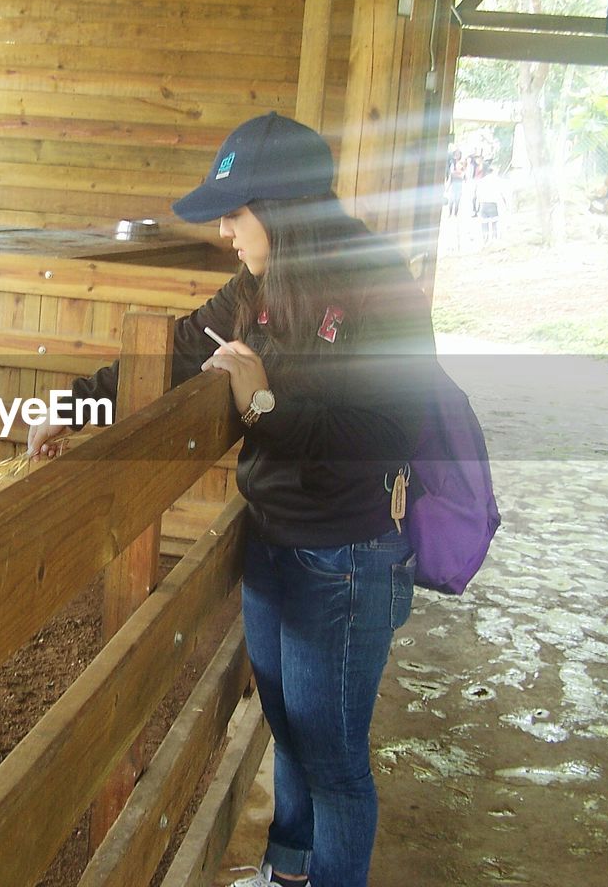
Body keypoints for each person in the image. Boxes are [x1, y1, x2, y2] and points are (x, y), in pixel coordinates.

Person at [27, 112, 437, 886]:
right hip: (274, 539)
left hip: (346, 555)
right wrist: (75, 405)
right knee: (286, 725)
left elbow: (389, 428)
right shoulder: (258, 285)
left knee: (335, 757)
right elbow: (178, 353)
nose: (225, 230)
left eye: (236, 211)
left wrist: (267, 407)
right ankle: (286, 873)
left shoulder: (379, 287)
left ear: (282, 208)